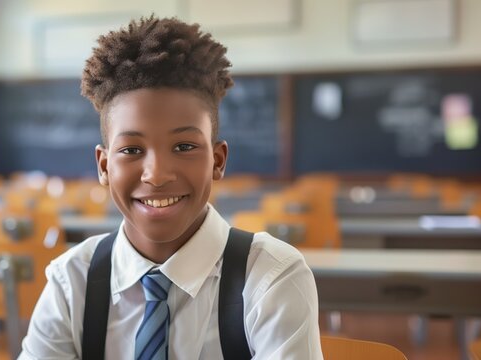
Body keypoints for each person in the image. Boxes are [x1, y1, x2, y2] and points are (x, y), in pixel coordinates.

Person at [20, 15, 322, 359]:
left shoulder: (270, 279)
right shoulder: (72, 283)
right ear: (104, 166)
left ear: (217, 161)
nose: (157, 174)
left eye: (184, 147)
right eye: (132, 150)